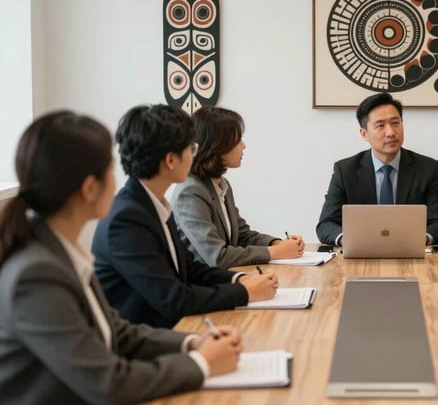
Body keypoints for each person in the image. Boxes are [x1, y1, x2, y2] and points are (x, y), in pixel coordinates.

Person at [0, 111, 243, 404]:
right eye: (111, 171)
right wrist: (201, 364)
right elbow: (107, 383)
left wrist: (193, 343)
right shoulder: (36, 274)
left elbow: (117, 332)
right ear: (90, 188)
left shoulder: (58, 250)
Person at [92, 104, 278, 328]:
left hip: (172, 328)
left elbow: (189, 270)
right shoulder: (126, 220)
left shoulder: (154, 203)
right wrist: (244, 292)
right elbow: (174, 299)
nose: (195, 154)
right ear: (171, 160)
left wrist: (239, 279)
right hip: (148, 341)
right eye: (191, 147)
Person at [171, 106, 305, 267]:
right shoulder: (190, 191)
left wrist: (278, 243)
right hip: (203, 285)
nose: (243, 146)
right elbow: (217, 256)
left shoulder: (220, 184)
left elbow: (242, 236)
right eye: (237, 140)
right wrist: (276, 252)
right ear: (217, 145)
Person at [316, 92, 438, 246]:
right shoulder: (345, 171)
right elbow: (326, 224)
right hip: (361, 256)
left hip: (411, 257)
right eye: (380, 125)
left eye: (395, 123)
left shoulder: (427, 168)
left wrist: (420, 238)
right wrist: (347, 239)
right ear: (364, 133)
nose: (391, 132)